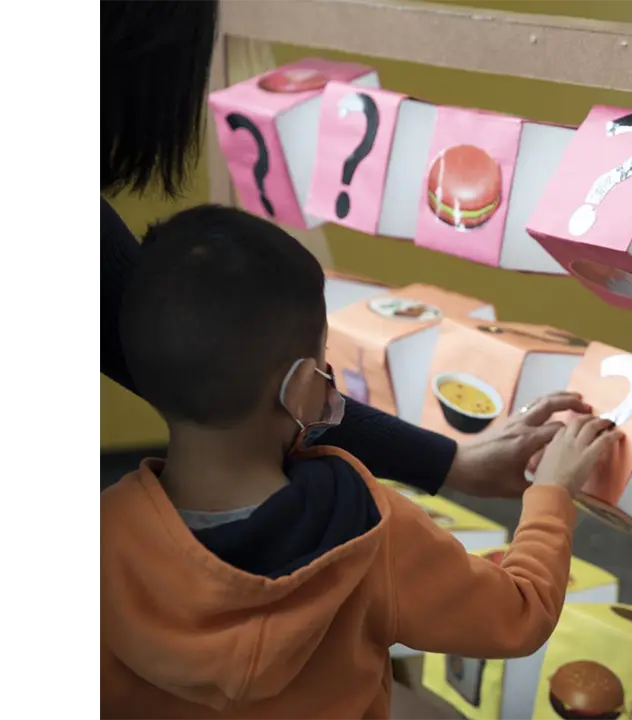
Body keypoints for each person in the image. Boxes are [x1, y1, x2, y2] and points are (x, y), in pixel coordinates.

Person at [98, 205, 622, 717]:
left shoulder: (104, 533)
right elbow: (519, 612)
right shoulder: (363, 526)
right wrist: (551, 492)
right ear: (303, 389)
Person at [98, 0, 567, 498]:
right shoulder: (349, 530)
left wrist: (449, 461)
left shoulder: (120, 525)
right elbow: (521, 584)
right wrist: (549, 497)